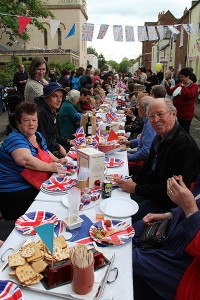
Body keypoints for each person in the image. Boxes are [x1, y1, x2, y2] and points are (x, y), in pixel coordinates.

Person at [116, 98, 200, 222]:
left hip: (168, 205)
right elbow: (149, 170)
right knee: (116, 197)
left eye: (160, 114)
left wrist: (136, 188)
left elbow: (171, 192)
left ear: (173, 114)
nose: (155, 120)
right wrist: (132, 181)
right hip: (152, 192)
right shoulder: (160, 137)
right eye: (151, 116)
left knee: (121, 216)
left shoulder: (185, 146)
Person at [132, 176, 200, 300]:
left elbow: (191, 206)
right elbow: (194, 199)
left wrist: (189, 209)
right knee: (133, 231)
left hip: (185, 266)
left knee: (129, 258)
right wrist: (167, 215)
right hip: (171, 237)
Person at [0, 102, 67, 220]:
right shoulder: (15, 138)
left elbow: (45, 151)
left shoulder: (37, 135)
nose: (31, 124)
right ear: (18, 122)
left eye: (34, 120)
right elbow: (26, 160)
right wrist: (51, 167)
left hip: (33, 182)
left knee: (62, 192)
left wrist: (58, 160)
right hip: (16, 190)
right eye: (26, 121)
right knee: (52, 204)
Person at [35, 82, 72, 157]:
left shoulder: (51, 111)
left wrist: (68, 142)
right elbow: (41, 141)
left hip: (52, 147)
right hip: (44, 153)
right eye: (55, 96)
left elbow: (53, 135)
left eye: (61, 96)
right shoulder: (41, 113)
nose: (59, 100)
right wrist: (58, 147)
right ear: (45, 97)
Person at [120, 96, 156, 163]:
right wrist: (130, 142)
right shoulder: (147, 121)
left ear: (143, 109)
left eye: (138, 106)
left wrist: (129, 157)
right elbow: (145, 139)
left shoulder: (150, 124)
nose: (137, 109)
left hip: (144, 163)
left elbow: (146, 152)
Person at [165, 67, 198, 133]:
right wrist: (167, 86)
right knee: (176, 131)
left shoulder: (194, 86)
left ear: (188, 76)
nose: (181, 79)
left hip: (186, 114)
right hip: (177, 113)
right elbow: (170, 92)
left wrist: (183, 87)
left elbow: (190, 95)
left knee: (185, 132)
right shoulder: (180, 84)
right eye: (180, 77)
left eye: (183, 77)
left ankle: (186, 143)